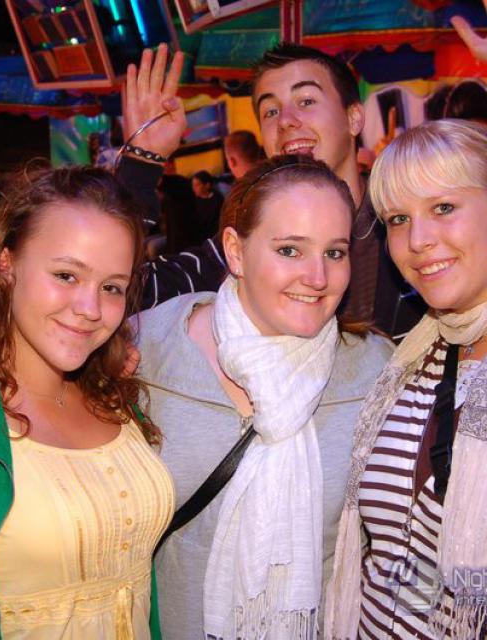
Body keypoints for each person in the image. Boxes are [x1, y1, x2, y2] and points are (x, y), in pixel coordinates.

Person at [0, 166, 175, 639]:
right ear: (7, 262)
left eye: (111, 287)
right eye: (66, 275)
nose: (89, 309)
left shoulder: (116, 398)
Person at [135, 155, 394, 639]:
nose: (317, 277)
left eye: (334, 253)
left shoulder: (375, 370)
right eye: (290, 250)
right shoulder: (146, 351)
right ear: (235, 251)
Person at [121, 43, 425, 338]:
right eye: (270, 111)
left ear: (353, 118)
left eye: (306, 101)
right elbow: (122, 294)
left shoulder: (407, 218)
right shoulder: (247, 242)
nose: (285, 121)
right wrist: (141, 163)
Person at [325, 119, 487, 639]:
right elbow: (404, 555)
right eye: (398, 219)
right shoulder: (417, 358)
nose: (418, 241)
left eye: (443, 208)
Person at [191, 170, 224, 243]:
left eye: (197, 185)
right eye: (193, 185)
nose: (193, 188)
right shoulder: (192, 201)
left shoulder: (218, 199)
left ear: (207, 185)